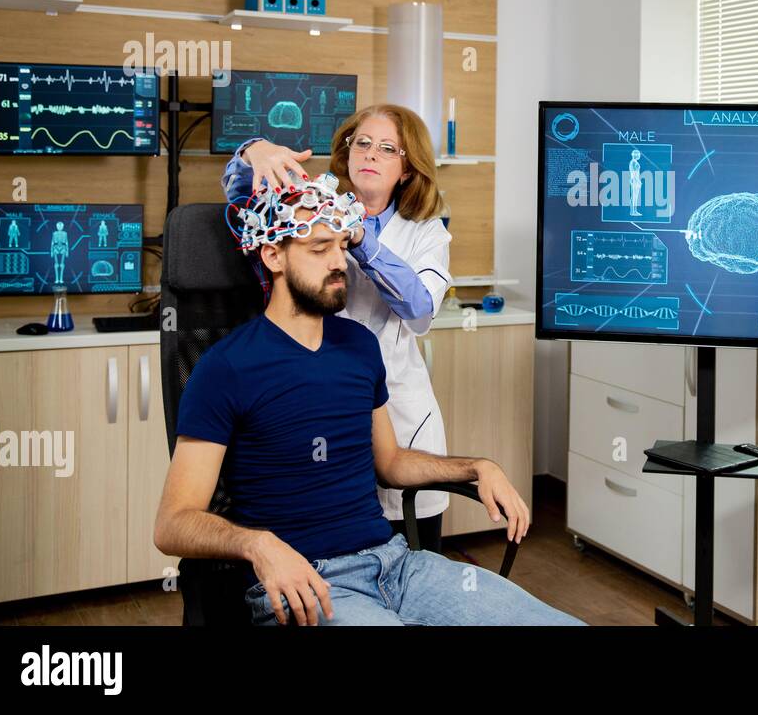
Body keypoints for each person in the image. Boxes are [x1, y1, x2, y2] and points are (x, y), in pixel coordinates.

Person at [153, 179, 584, 626]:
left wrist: (478, 467)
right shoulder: (226, 367)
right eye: (319, 249)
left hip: (397, 566)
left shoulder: (358, 345)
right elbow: (173, 523)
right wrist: (257, 545)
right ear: (273, 256)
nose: (339, 262)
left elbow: (391, 462)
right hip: (308, 582)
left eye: (341, 246)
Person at [220, 105, 452, 553]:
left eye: (388, 148)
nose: (370, 154)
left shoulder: (427, 234)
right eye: (361, 143)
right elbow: (241, 198)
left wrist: (363, 240)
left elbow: (420, 311)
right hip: (317, 404)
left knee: (414, 564)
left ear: (407, 169)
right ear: (346, 152)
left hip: (401, 417)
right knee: (333, 552)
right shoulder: (309, 207)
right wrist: (254, 149)